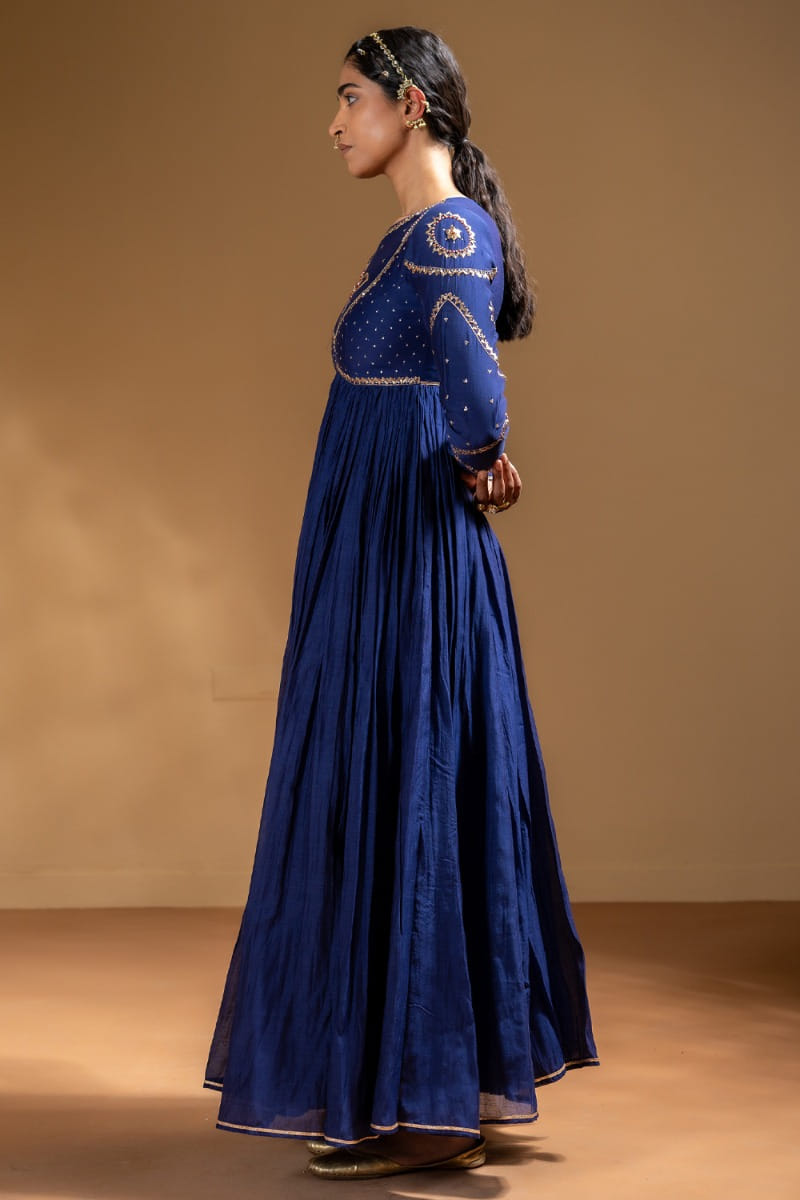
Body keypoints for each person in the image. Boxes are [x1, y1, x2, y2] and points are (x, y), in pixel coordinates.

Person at [203, 26, 598, 1181]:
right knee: (388, 778)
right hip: (381, 536)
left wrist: (479, 454)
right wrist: (473, 455)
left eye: (349, 99)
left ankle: (426, 1103)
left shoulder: (445, 232)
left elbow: (473, 384)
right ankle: (413, 1084)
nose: (334, 123)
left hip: (404, 548)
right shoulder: (417, 235)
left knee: (408, 778)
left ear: (410, 104)